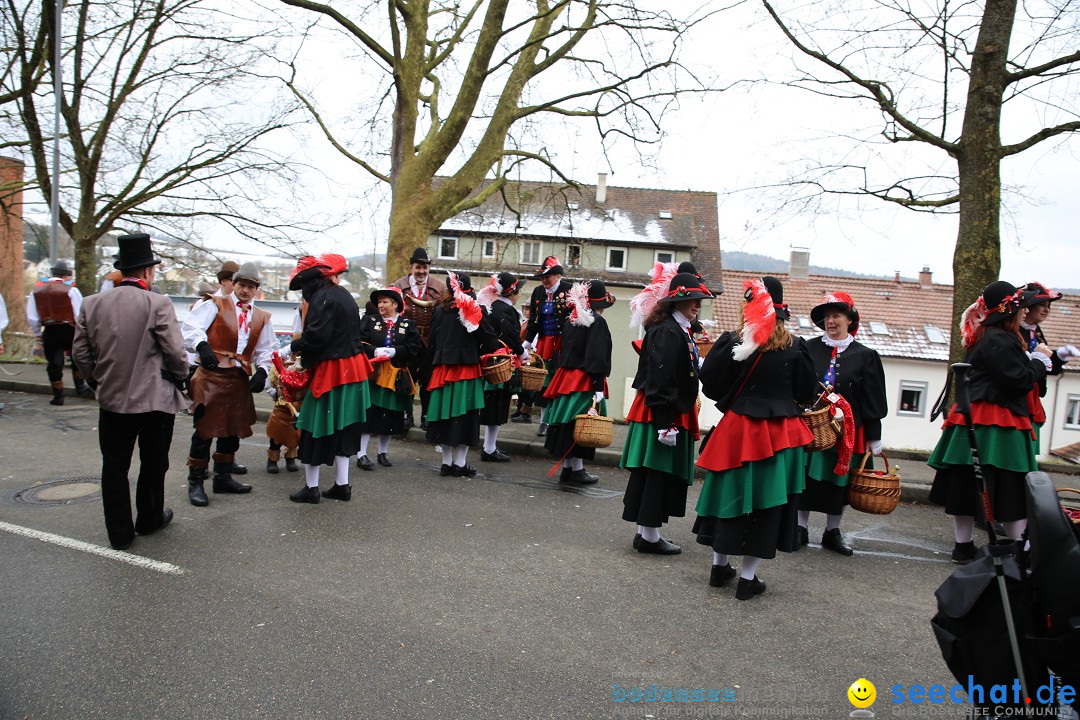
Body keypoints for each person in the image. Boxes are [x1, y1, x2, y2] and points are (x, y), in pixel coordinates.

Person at [693, 277, 816, 600]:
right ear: (781, 311)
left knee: (727, 495)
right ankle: (748, 578)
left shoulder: (733, 341)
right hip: (780, 435)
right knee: (766, 503)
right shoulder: (796, 347)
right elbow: (807, 392)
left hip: (737, 430)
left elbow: (711, 385)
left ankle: (719, 568)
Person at [71, 233, 188, 550]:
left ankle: (120, 534)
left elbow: (80, 353)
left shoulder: (91, 303)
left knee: (114, 468)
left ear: (123, 271)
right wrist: (180, 377)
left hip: (112, 399)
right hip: (155, 399)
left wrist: (98, 380)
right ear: (149, 272)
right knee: (153, 463)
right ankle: (149, 519)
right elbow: (176, 353)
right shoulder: (158, 303)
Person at [927, 281, 1050, 562]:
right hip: (995, 421)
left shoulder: (988, 336)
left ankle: (965, 545)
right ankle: (1018, 547)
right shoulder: (999, 339)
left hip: (977, 417)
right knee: (1010, 486)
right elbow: (1017, 382)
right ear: (1009, 311)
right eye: (1020, 307)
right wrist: (1039, 361)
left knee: (968, 484)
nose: (1024, 312)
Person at [620, 272, 713, 556]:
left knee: (656, 473)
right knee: (657, 472)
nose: (697, 305)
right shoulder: (666, 331)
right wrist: (665, 423)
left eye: (699, 300)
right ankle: (649, 536)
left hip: (669, 410)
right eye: (692, 300)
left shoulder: (677, 328)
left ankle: (644, 533)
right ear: (677, 302)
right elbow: (660, 378)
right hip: (662, 412)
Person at [796, 292, 887, 556]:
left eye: (836, 316)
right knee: (807, 477)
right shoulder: (809, 348)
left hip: (848, 430)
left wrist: (874, 436)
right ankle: (800, 528)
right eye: (827, 318)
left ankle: (831, 531)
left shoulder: (866, 355)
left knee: (839, 482)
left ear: (849, 319)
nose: (831, 322)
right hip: (813, 425)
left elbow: (873, 398)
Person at [181, 262, 276, 507]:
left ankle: (223, 477)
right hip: (211, 375)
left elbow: (267, 349)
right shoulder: (214, 303)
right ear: (233, 284)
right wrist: (203, 347)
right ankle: (196, 482)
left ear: (257, 289)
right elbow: (190, 328)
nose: (245, 290)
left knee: (232, 429)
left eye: (251, 287)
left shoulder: (261, 317)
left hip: (238, 377)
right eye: (242, 285)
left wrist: (263, 371)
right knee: (204, 430)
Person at [288, 254, 373, 503]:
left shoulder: (321, 297)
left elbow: (317, 338)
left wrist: (295, 348)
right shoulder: (344, 295)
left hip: (333, 370)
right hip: (354, 368)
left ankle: (311, 488)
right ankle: (342, 485)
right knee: (344, 426)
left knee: (314, 427)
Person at [426, 272, 499, 477]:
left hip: (442, 369)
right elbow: (491, 341)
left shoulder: (440, 310)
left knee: (444, 416)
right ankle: (460, 463)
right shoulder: (473, 308)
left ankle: (446, 463)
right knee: (466, 416)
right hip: (466, 369)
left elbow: (433, 341)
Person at [543, 281, 615, 484]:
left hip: (566, 377)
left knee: (569, 423)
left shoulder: (571, 318)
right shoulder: (597, 321)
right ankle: (576, 470)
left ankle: (569, 469)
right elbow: (597, 355)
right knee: (582, 423)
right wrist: (599, 384)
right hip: (584, 378)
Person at [355, 285, 422, 470]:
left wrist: (395, 351)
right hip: (373, 376)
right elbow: (359, 342)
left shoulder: (408, 325)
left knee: (391, 416)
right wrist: (373, 350)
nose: (381, 305)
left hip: (396, 377)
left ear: (395, 304)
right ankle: (361, 454)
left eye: (385, 302)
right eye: (379, 302)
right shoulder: (369, 321)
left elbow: (414, 348)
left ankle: (382, 452)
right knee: (369, 414)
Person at [1018, 282, 1080, 454]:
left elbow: (1045, 366)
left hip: (1033, 397)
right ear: (1028, 307)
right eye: (1042, 305)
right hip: (1019, 398)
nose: (1046, 310)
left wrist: (1059, 357)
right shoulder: (1014, 331)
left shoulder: (1036, 331)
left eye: (1048, 306)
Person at [476, 272, 529, 462]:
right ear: (512, 292)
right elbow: (510, 337)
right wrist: (522, 352)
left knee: (495, 406)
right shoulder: (504, 311)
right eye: (519, 291)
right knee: (496, 406)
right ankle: (489, 448)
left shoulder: (494, 307)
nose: (520, 295)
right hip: (500, 364)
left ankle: (489, 446)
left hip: (493, 362)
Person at [393, 248, 446, 431]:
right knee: (407, 378)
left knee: (428, 380)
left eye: (424, 267)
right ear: (411, 267)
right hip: (407, 341)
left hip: (430, 340)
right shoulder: (398, 286)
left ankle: (426, 415)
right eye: (418, 267)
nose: (421, 271)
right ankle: (407, 415)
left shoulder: (439, 287)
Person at [27, 260, 90, 405]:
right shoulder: (71, 290)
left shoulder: (36, 291)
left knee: (55, 363)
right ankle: (80, 387)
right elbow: (79, 314)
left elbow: (32, 316)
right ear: (65, 276)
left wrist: (37, 334)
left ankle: (58, 396)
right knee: (77, 359)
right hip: (70, 329)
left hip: (50, 330)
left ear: (52, 274)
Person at [523, 256, 572, 437]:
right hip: (544, 343)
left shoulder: (569, 290)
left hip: (562, 344)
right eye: (542, 277)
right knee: (544, 384)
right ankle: (544, 421)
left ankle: (556, 420)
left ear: (558, 276)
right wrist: (527, 341)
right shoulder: (538, 292)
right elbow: (534, 320)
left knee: (559, 382)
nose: (544, 280)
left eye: (548, 277)